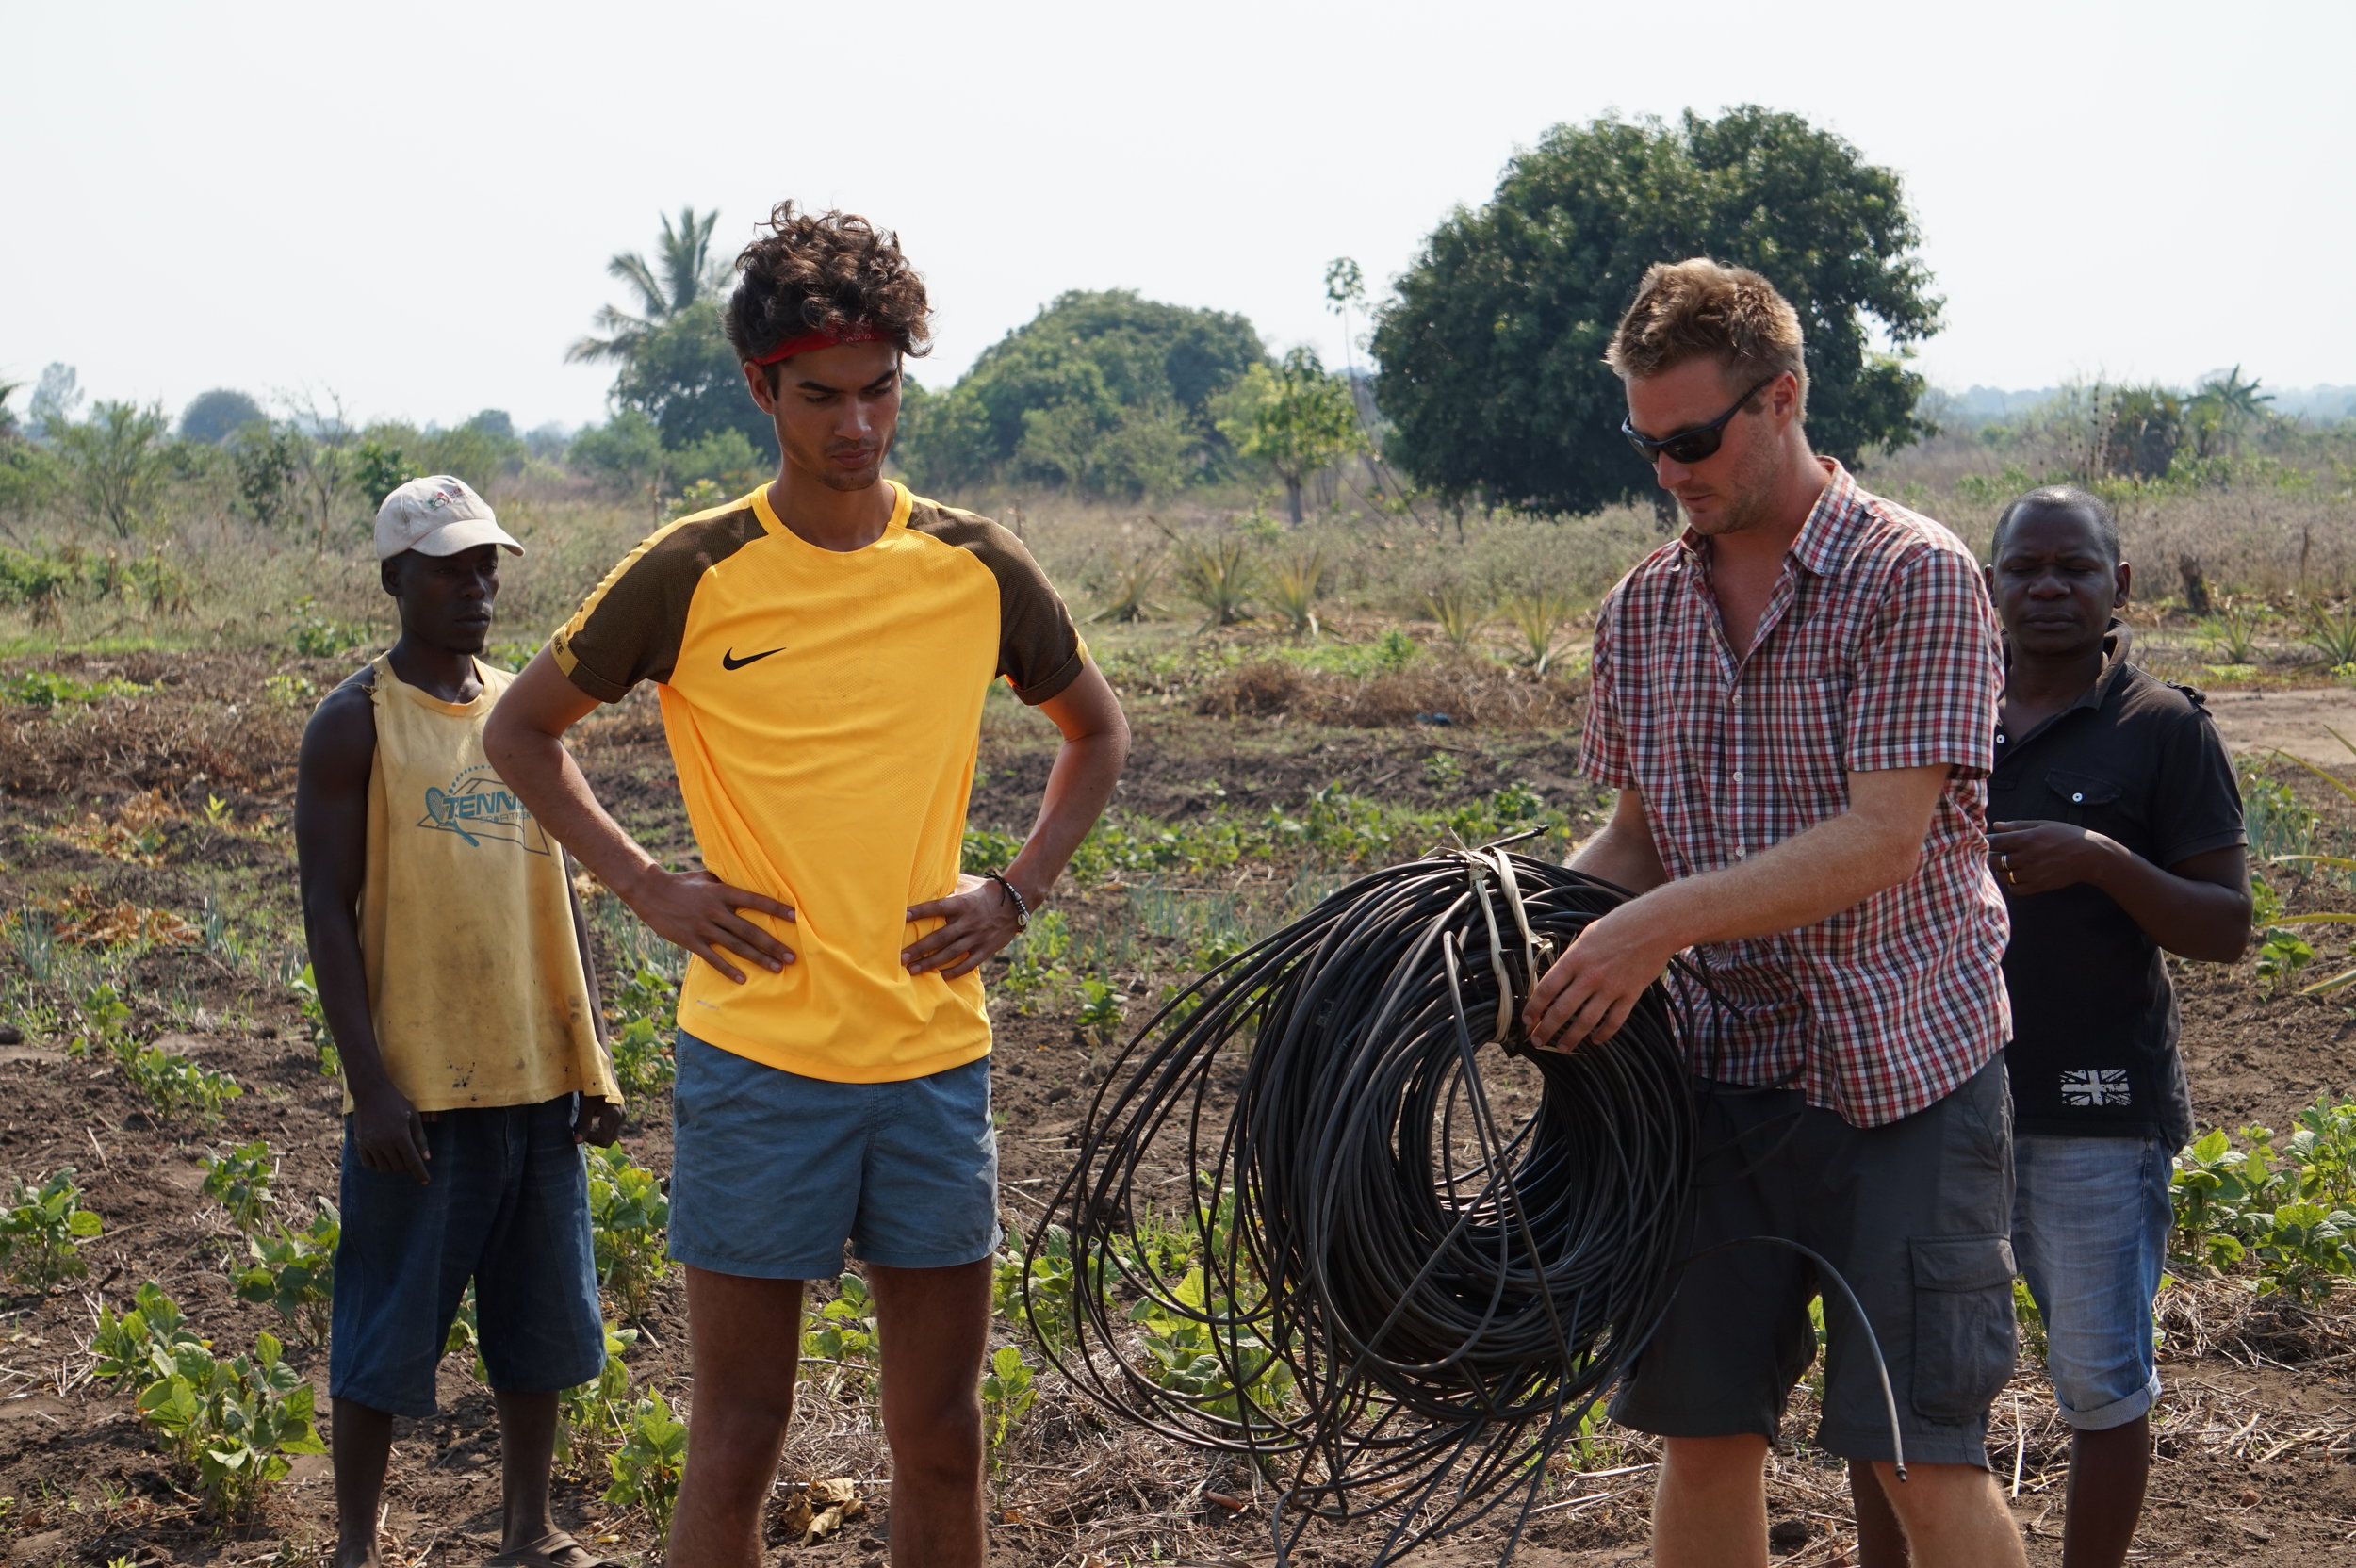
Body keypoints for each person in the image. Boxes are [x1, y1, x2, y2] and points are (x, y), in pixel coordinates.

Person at [484, 203, 1129, 1568]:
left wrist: (1014, 893)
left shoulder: (975, 563)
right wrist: (647, 884)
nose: (857, 426)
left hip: (930, 1060)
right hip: (758, 1064)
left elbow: (1097, 730)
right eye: (823, 396)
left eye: (881, 389)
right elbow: (519, 730)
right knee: (735, 1443)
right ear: (759, 387)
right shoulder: (691, 568)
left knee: (944, 1438)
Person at [1521, 259, 2027, 1568]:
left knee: (1917, 1458)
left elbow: (1882, 836)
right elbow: (1636, 838)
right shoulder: (1644, 608)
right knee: (1703, 1434)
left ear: (1784, 396)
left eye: (1693, 439)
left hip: (1904, 1074)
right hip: (1722, 1080)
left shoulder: (1909, 576)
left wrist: (1661, 926)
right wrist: (1539, 931)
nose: (1672, 473)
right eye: (1648, 446)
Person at [1846, 486, 2248, 1568]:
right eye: (2024, 568)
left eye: (2074, 569)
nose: (2047, 588)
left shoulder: (2162, 729)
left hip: (2094, 1109)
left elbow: (2226, 925)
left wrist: (2102, 860)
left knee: (2098, 1381)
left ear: (2118, 585)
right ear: (1988, 586)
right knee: (1905, 1379)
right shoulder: (1939, 721)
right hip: (1931, 1092)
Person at [296, 474, 626, 1568]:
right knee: (387, 1325)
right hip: (421, 1089)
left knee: (540, 1326)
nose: (477, 586)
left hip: (535, 1069)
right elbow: (328, 918)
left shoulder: (521, 714)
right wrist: (370, 1086)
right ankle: (356, 1546)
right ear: (396, 578)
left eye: (487, 564)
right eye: (449, 566)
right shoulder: (355, 724)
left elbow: (560, 889)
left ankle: (526, 1529)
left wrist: (594, 1054)